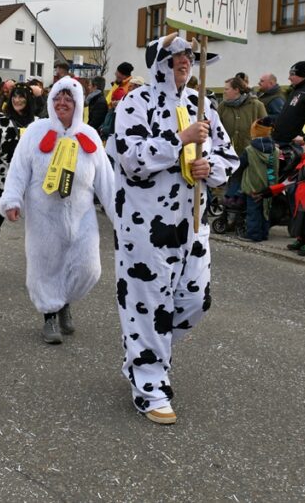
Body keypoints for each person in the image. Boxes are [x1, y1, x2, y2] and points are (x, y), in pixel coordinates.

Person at [111, 33, 239, 425]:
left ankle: (144, 354)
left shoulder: (203, 105)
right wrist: (179, 140)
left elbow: (228, 157)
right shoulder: (136, 101)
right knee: (149, 304)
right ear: (159, 63)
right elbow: (131, 158)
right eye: (176, 56)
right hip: (145, 226)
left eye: (189, 56)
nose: (184, 61)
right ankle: (150, 385)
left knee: (195, 300)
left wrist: (209, 168)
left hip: (193, 223)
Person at [0, 76, 114, 345]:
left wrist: (120, 215)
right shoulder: (36, 132)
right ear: (50, 101)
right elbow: (18, 169)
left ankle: (64, 301)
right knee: (46, 266)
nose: (62, 102)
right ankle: (50, 313)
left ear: (78, 103)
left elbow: (107, 180)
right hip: (44, 215)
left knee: (89, 268)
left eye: (68, 98)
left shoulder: (89, 135)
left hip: (82, 215)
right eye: (58, 97)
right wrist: (12, 200)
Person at [0, 84, 37, 278]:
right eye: (14, 96)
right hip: (6, 176)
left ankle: (39, 264)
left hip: (32, 178)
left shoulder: (37, 124)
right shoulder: (2, 122)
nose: (17, 100)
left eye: (21, 97)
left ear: (29, 100)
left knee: (38, 223)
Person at [219, 76, 267, 205]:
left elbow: (265, 130)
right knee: (232, 185)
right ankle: (231, 208)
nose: (224, 92)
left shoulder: (256, 105)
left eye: (227, 89)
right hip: (229, 154)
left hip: (251, 155)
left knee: (246, 188)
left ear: (236, 90)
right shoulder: (223, 106)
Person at [271, 61, 305, 145]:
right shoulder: (296, 89)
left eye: (292, 74)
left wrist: (304, 136)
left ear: (301, 75)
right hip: (280, 138)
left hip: (293, 142)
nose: (289, 78)